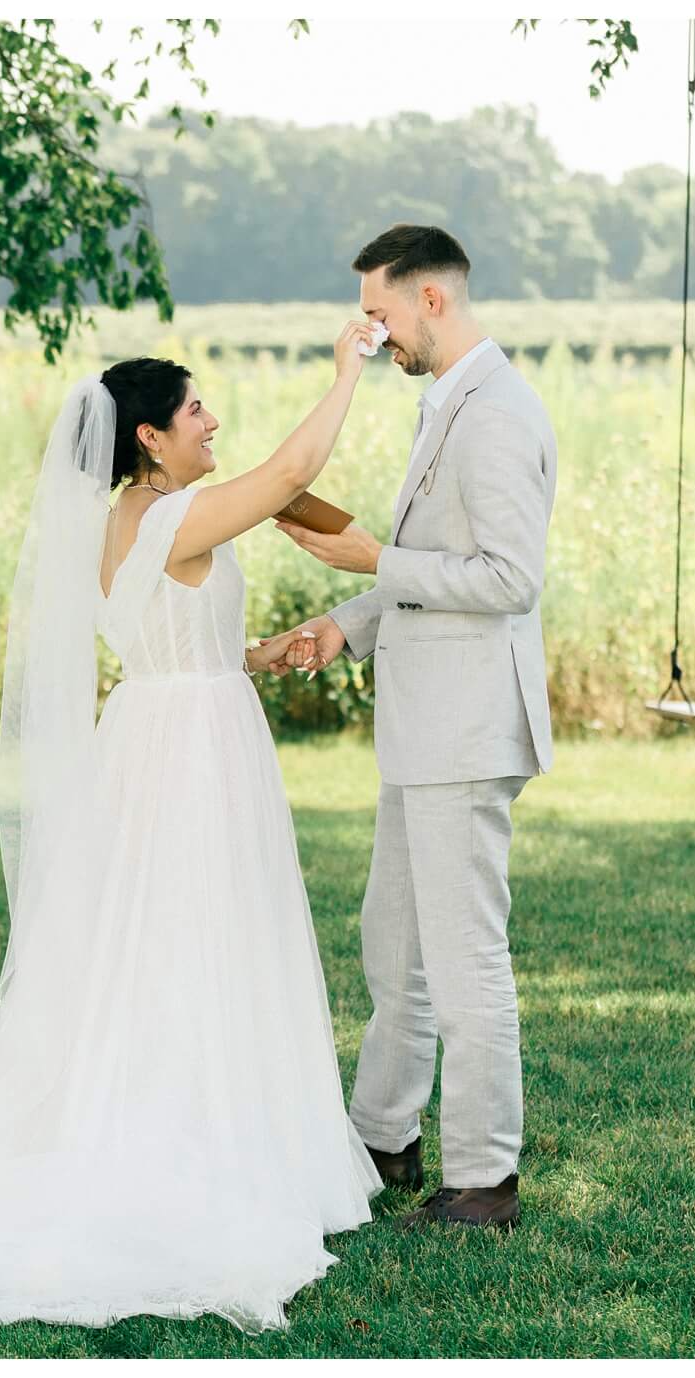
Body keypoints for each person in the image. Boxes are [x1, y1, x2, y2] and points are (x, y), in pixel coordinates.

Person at [0, 319, 384, 1338]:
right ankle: (196, 1146)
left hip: (160, 727)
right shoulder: (172, 515)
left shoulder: (124, 524)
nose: (209, 420)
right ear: (148, 437)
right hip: (189, 752)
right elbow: (292, 472)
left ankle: (197, 1115)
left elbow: (172, 637)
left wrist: (249, 654)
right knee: (196, 933)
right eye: (193, 410)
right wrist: (345, 369)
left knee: (162, 939)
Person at [270, 224, 558, 1233]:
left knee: (463, 955)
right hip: (422, 728)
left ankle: (483, 1177)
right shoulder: (449, 402)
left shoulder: (492, 414)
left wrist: (366, 566)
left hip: (467, 731)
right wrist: (338, 629)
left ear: (429, 300)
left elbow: (507, 581)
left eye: (380, 313)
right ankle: (380, 1135)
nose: (373, 331)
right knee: (393, 945)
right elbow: (419, 561)